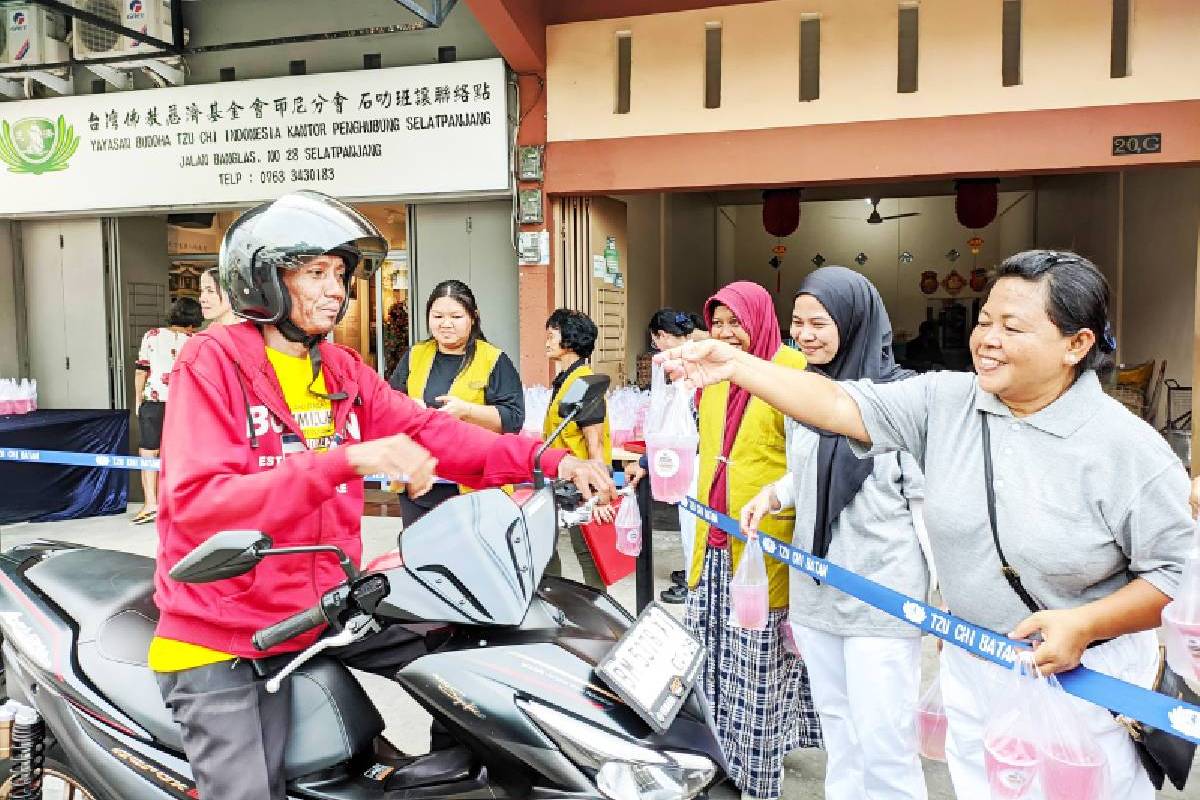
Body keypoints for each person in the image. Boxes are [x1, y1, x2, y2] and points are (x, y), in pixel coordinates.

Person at [656, 250, 1191, 799]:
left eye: (1012, 327)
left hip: (1080, 681)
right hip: (972, 665)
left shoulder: (1126, 447)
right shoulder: (947, 400)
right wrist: (738, 364)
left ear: (1076, 345)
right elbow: (839, 403)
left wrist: (1086, 624)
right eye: (985, 321)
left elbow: (1175, 574)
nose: (987, 339)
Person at [150, 191, 613, 800]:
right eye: (314, 272)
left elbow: (429, 431)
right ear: (260, 278)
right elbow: (200, 501)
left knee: (479, 640)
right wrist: (344, 459)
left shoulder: (338, 367)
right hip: (227, 630)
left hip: (326, 603)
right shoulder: (213, 363)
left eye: (340, 274)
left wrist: (549, 459)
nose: (335, 290)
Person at [741, 267, 929, 800]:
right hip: (817, 592)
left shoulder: (904, 401)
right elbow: (808, 468)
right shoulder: (805, 395)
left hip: (881, 597)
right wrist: (775, 494)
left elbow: (927, 508)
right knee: (839, 730)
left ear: (855, 322)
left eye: (819, 323)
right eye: (796, 322)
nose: (804, 334)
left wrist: (944, 599)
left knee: (884, 740)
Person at [686, 281, 822, 800]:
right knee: (713, 664)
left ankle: (757, 778)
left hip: (765, 551)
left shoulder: (793, 374)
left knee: (758, 673)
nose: (725, 334)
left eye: (735, 323)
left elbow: (806, 470)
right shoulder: (715, 376)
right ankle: (716, 759)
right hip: (715, 545)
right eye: (717, 324)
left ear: (760, 320)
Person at [388, 279, 524, 527]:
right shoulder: (416, 354)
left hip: (474, 485)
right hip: (420, 482)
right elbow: (388, 403)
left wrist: (467, 411)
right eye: (437, 316)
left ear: (473, 317)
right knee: (422, 557)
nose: (446, 324)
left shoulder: (493, 359)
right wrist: (408, 407)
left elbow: (513, 419)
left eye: (456, 316)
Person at [626, 308, 702, 603]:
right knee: (691, 522)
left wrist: (648, 460)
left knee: (693, 523)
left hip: (694, 457)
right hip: (690, 455)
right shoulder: (680, 363)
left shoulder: (688, 368)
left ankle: (694, 584)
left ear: (662, 337)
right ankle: (693, 571)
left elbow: (677, 425)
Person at [543, 308, 613, 591]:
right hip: (561, 481)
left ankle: (600, 614)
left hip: (582, 486)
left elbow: (594, 442)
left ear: (569, 341)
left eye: (551, 336)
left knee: (588, 552)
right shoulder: (567, 380)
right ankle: (553, 600)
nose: (546, 342)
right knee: (546, 546)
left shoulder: (583, 383)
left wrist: (600, 495)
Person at [131, 296, 202, 525]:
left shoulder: (152, 335)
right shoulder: (196, 340)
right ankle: (178, 503)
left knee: (149, 452)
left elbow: (142, 369)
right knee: (179, 454)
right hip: (184, 403)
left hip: (154, 399)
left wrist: (138, 400)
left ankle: (151, 503)